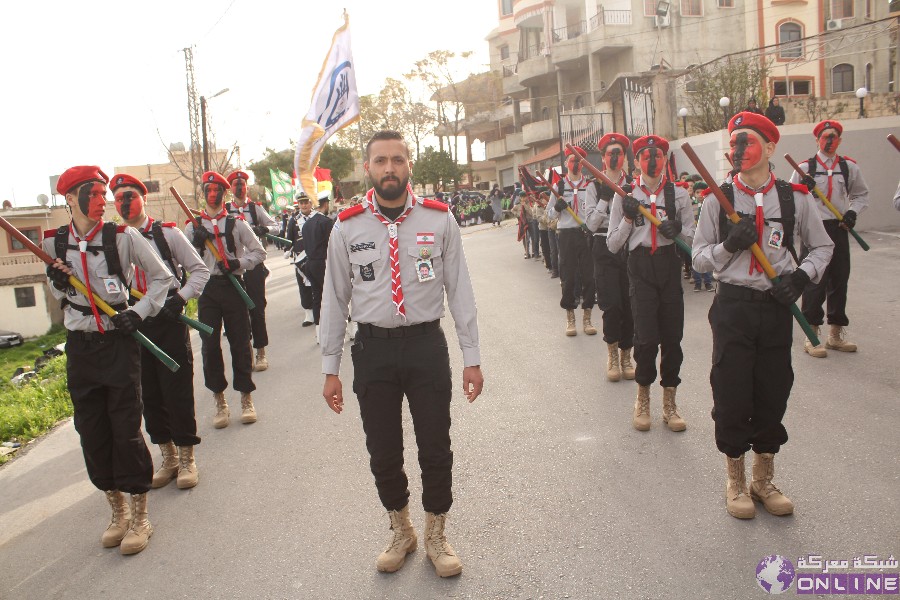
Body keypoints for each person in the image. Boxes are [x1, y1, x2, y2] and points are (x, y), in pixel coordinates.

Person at [320, 130, 483, 578]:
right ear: (368, 167)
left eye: (397, 159)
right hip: (372, 349)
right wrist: (329, 367)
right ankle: (401, 529)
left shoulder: (439, 218)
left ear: (409, 165)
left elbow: (460, 291)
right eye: (379, 161)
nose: (388, 168)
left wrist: (472, 356)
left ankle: (436, 532)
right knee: (383, 450)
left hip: (426, 346)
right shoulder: (347, 226)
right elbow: (334, 299)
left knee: (435, 445)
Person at [692, 112, 833, 519]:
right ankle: (735, 479)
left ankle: (763, 478)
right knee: (732, 389)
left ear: (770, 148)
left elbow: (822, 248)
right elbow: (699, 259)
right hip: (733, 306)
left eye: (747, 142)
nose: (737, 150)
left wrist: (801, 279)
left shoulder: (795, 199)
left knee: (773, 389)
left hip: (776, 306)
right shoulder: (715, 201)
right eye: (733, 143)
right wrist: (727, 247)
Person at [44, 166, 174, 555]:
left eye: (104, 193)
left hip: (118, 340)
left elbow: (163, 278)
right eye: (94, 193)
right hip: (80, 345)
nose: (104, 201)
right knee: (91, 427)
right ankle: (115, 511)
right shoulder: (52, 242)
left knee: (125, 426)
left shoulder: (123, 236)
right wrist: (59, 282)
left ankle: (139, 515)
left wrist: (140, 312)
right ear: (69, 198)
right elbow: (54, 292)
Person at [110, 173, 210, 491]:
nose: (125, 203)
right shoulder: (112, 240)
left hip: (168, 321)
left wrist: (180, 299)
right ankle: (167, 457)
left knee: (176, 391)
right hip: (136, 327)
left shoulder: (167, 234)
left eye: (131, 196)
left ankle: (186, 457)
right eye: (119, 198)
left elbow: (200, 270)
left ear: (144, 199)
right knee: (149, 395)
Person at [607, 135, 694, 432]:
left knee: (672, 337)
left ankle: (669, 403)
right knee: (645, 338)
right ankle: (642, 397)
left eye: (658, 156)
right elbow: (612, 244)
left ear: (665, 160)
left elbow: (695, 241)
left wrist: (679, 230)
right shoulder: (624, 195)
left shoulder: (679, 195)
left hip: (669, 266)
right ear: (637, 161)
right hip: (640, 267)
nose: (653, 162)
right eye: (646, 157)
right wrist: (628, 219)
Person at [186, 171, 266, 429]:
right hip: (208, 291)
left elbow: (259, 252)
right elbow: (182, 262)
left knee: (240, 344)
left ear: (224, 193)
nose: (212, 195)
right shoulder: (192, 227)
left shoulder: (237, 223)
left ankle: (246, 397)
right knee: (209, 347)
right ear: (203, 193)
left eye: (217, 190)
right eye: (208, 190)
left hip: (234, 288)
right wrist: (196, 245)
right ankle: (219, 400)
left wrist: (238, 263)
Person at [789, 119, 869, 357]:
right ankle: (811, 335)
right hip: (813, 230)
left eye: (834, 137)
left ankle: (835, 334)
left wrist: (853, 213)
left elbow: (861, 194)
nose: (830, 141)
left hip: (839, 227)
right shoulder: (804, 168)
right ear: (817, 140)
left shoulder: (849, 167)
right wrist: (804, 189)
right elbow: (791, 200)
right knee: (815, 281)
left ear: (840, 140)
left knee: (839, 279)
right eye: (826, 137)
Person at [582, 133, 636, 382]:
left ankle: (627, 354)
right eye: (610, 153)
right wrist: (605, 198)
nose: (615, 157)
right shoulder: (593, 187)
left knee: (630, 303)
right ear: (603, 158)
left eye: (619, 152)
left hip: (629, 246)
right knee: (611, 303)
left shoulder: (634, 185)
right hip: (603, 246)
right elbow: (591, 224)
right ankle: (613, 353)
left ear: (624, 157)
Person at [225, 171, 278, 371]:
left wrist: (265, 230)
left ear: (247, 187)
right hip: (234, 267)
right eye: (235, 184)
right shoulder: (225, 210)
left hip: (254, 265)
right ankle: (244, 354)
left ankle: (260, 351)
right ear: (230, 188)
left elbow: (275, 225)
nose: (239, 188)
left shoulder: (256, 209)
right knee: (238, 312)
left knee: (257, 308)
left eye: (242, 184)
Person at [545, 146, 597, 336]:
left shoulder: (590, 185)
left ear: (583, 164)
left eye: (578, 160)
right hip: (566, 234)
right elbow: (549, 215)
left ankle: (588, 317)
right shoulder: (558, 187)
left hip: (585, 233)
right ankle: (570, 318)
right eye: (572, 160)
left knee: (589, 277)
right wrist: (558, 208)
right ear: (566, 163)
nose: (575, 164)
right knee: (569, 277)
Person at [300, 192, 334, 342]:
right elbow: (333, 246)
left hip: (310, 264)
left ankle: (319, 332)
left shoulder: (306, 223)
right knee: (336, 295)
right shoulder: (326, 222)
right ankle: (349, 330)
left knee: (317, 297)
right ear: (326, 204)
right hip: (323, 263)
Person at [287, 192, 316, 326]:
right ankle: (309, 314)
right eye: (301, 203)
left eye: (306, 202)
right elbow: (290, 238)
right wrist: (288, 250)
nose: (304, 205)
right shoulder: (293, 220)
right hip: (300, 259)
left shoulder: (317, 217)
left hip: (317, 257)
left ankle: (321, 310)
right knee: (303, 286)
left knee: (319, 284)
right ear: (298, 205)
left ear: (311, 203)